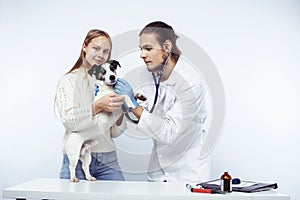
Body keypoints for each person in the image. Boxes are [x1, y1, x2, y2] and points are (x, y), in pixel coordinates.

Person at [114, 21, 211, 183]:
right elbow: (144, 117)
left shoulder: (190, 83)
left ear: (167, 46)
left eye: (148, 48)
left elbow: (169, 132)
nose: (142, 55)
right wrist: (126, 105)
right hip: (158, 170)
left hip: (186, 172)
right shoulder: (148, 75)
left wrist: (134, 105)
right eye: (141, 49)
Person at [55, 29, 126, 181]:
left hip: (108, 160)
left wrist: (122, 110)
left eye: (106, 51)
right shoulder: (69, 81)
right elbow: (69, 122)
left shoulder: (111, 84)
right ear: (84, 47)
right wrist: (98, 106)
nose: (101, 54)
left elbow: (114, 132)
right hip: (77, 155)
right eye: (96, 48)